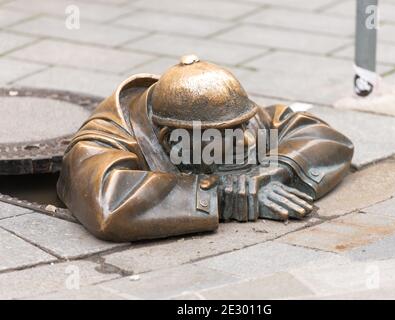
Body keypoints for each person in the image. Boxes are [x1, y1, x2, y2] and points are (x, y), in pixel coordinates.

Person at [57, 55, 354, 242]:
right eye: (224, 135)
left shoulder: (229, 118)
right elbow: (105, 202)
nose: (248, 141)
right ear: (168, 137)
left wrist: (275, 171)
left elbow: (325, 137)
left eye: (242, 127)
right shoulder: (105, 137)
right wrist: (220, 197)